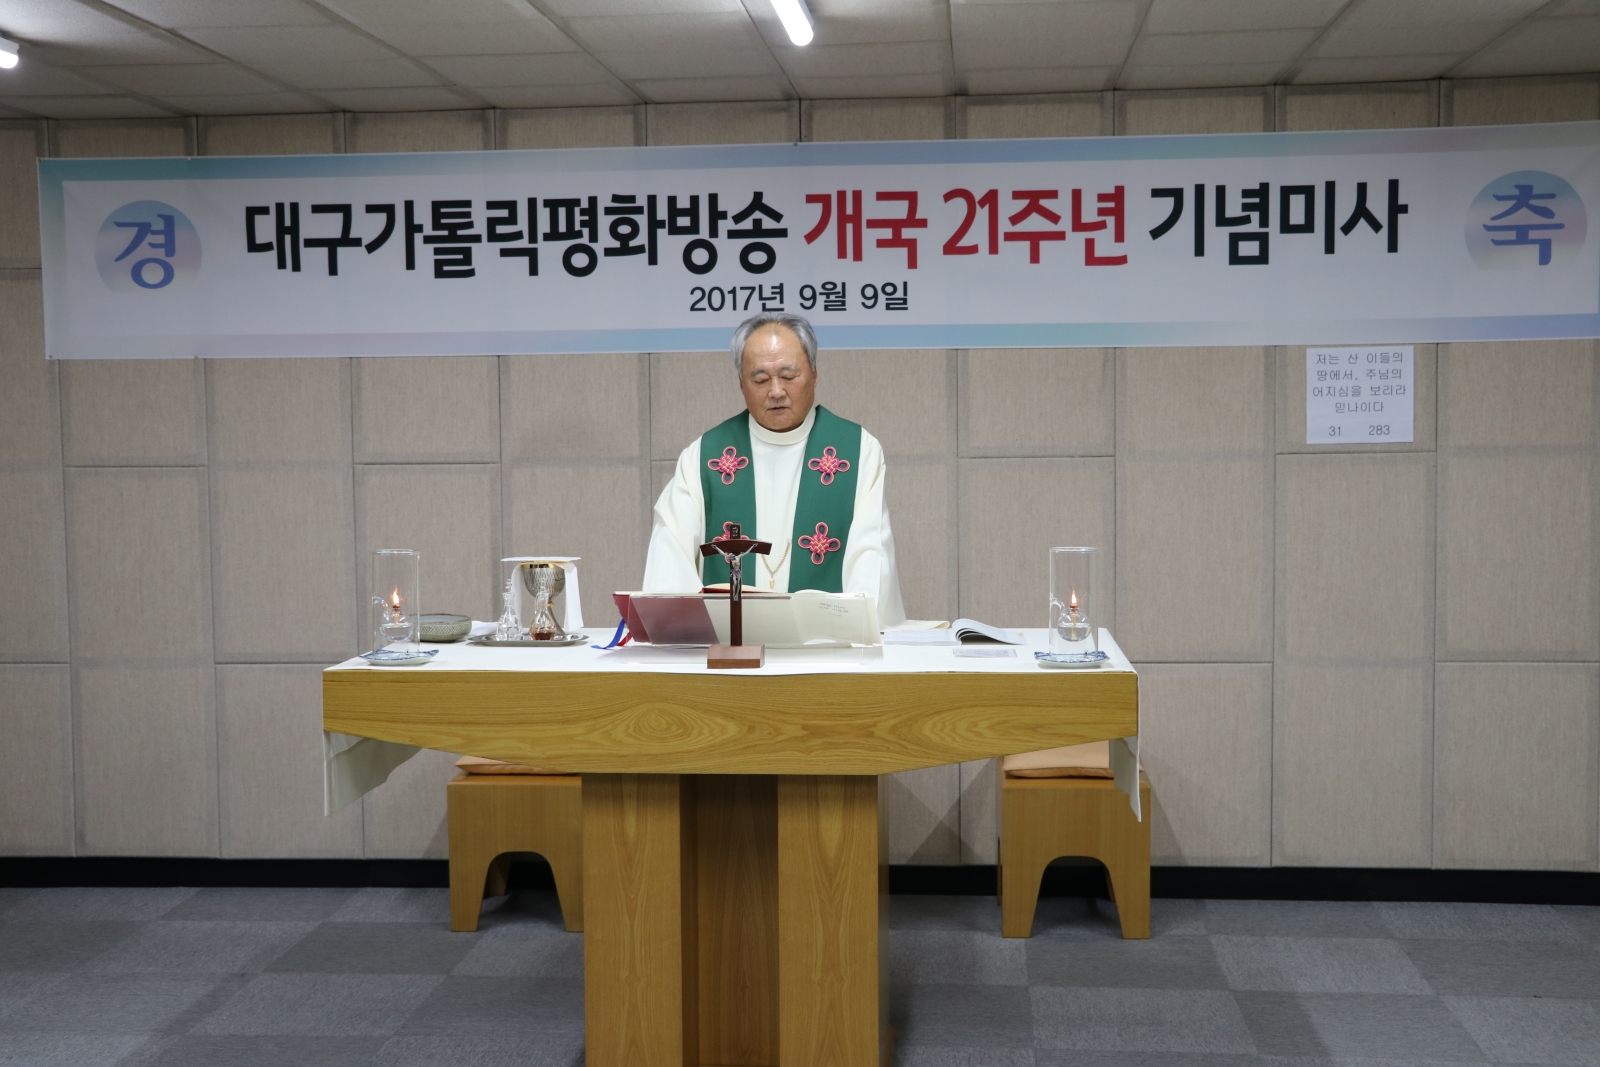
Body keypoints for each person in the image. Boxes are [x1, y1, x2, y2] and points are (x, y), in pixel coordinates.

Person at [642, 312, 906, 628]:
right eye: (760, 380)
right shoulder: (704, 457)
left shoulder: (858, 451)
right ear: (741, 383)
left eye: (788, 376)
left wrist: (853, 630)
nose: (776, 391)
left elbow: (870, 561)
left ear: (814, 373)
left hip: (825, 645)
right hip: (730, 645)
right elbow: (670, 563)